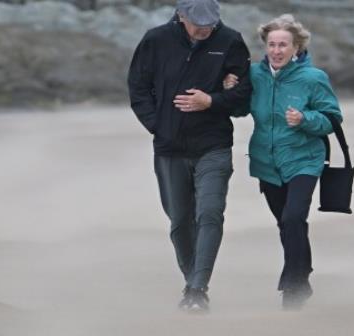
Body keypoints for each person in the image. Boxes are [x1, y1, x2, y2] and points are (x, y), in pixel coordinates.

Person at [127, 0, 252, 313]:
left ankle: (198, 289)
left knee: (209, 213)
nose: (205, 28)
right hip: (170, 148)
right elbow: (138, 88)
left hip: (214, 145)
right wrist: (159, 126)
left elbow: (243, 99)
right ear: (180, 15)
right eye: (198, 22)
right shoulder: (155, 40)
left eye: (210, 22)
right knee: (180, 221)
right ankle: (191, 282)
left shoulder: (230, 41)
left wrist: (213, 100)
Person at [224, 14, 343, 310]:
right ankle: (302, 279)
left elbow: (332, 119)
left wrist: (305, 119)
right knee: (286, 224)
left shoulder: (313, 78)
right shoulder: (254, 75)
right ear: (266, 46)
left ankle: (293, 286)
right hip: (267, 162)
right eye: (272, 44)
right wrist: (229, 89)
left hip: (304, 160)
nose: (277, 50)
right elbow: (239, 109)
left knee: (293, 218)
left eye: (283, 45)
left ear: (297, 47)